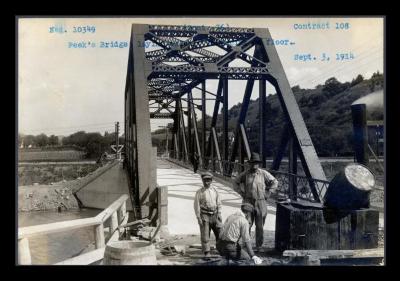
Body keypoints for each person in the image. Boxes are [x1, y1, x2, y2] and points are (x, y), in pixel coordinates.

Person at [233, 152, 278, 251]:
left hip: (261, 202)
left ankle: (259, 246)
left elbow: (275, 181)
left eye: (256, 163)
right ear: (249, 163)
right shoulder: (245, 174)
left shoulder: (263, 173)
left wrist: (269, 192)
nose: (254, 165)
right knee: (247, 224)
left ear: (259, 164)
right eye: (252, 163)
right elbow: (235, 182)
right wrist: (241, 192)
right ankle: (246, 244)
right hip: (248, 202)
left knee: (260, 225)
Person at [193, 172, 223, 259]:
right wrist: (198, 217)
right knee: (205, 234)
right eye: (205, 180)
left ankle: (220, 249)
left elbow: (219, 202)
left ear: (211, 181)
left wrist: (219, 213)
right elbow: (196, 206)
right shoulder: (199, 192)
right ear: (202, 181)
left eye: (209, 180)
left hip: (215, 214)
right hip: (204, 214)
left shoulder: (215, 191)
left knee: (219, 232)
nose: (207, 182)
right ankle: (207, 252)